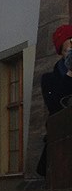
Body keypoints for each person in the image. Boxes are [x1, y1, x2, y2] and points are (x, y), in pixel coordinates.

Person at [38, 23, 72, 176]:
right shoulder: (49, 79)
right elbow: (55, 106)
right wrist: (70, 73)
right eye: (71, 40)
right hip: (63, 146)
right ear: (61, 48)